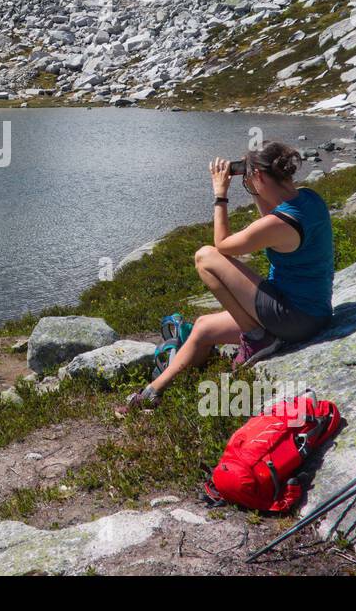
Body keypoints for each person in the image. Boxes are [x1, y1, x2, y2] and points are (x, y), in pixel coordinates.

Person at [118, 141, 335, 415]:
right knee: (204, 327)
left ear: (259, 176)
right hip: (309, 313)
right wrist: (256, 189)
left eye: (251, 177)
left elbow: (223, 245)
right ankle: (152, 393)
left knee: (205, 257)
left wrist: (220, 195)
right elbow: (270, 218)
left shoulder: (280, 223)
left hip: (293, 318)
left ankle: (257, 336)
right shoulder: (309, 198)